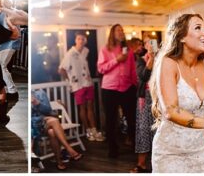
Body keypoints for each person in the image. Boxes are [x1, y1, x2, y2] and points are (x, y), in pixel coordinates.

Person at [148, 14, 204, 173]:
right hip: (170, 153)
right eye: (198, 28)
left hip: (202, 150)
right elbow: (171, 111)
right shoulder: (169, 63)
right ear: (181, 37)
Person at [97, 23, 139, 158]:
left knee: (132, 119)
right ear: (112, 33)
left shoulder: (129, 50)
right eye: (118, 30)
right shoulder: (105, 49)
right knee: (111, 120)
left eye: (122, 30)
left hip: (127, 88)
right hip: (110, 89)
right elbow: (101, 69)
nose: (121, 32)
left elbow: (132, 70)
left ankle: (135, 145)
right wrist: (117, 60)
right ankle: (113, 149)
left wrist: (135, 84)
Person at [58, 32, 102, 141]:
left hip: (88, 83)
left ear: (85, 40)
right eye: (79, 39)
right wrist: (70, 79)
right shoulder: (70, 53)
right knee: (82, 108)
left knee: (90, 107)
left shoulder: (86, 51)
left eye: (83, 39)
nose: (81, 41)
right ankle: (88, 132)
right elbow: (61, 69)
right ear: (75, 40)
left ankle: (94, 130)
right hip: (77, 85)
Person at [31, 90, 84, 170]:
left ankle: (59, 161)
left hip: (46, 124)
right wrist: (42, 118)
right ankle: (69, 149)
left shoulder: (40, 93)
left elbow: (48, 110)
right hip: (34, 127)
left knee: (52, 132)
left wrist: (37, 103)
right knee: (54, 121)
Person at [130, 35, 157, 173]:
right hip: (145, 98)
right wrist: (151, 58)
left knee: (158, 130)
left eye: (153, 42)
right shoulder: (140, 60)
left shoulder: (162, 60)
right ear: (145, 46)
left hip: (158, 99)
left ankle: (159, 163)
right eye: (147, 43)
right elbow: (144, 76)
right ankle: (141, 164)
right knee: (143, 129)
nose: (150, 45)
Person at [0, 0, 21, 101]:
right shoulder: (4, 13)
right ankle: (4, 87)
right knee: (3, 67)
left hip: (9, 44)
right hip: (7, 44)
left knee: (2, 66)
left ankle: (12, 91)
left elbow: (7, 31)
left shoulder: (4, 14)